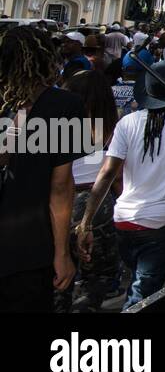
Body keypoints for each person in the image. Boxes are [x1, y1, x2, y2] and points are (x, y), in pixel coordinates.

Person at [77, 62, 165, 310]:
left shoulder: (129, 122)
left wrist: (86, 222)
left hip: (124, 219)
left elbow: (106, 173)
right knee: (142, 294)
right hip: (162, 222)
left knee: (139, 282)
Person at [0, 26, 83, 312]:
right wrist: (62, 253)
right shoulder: (65, 105)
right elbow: (60, 187)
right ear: (48, 57)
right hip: (30, 248)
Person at [54, 69, 122, 313]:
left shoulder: (57, 127)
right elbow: (117, 177)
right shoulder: (113, 127)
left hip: (62, 203)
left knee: (61, 273)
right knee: (99, 274)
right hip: (99, 204)